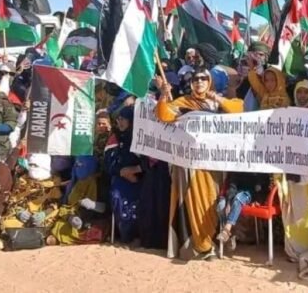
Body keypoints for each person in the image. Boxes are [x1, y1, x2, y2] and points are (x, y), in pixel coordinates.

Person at [156, 66, 243, 260]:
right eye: (195, 79)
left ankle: (213, 242)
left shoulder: (218, 103)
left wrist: (217, 99)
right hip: (189, 165)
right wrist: (163, 95)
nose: (199, 82)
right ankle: (201, 247)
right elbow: (163, 115)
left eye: (204, 78)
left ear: (210, 81)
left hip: (213, 164)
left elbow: (239, 109)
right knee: (194, 204)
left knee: (212, 203)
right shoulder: (184, 102)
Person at [279, 80, 308, 260]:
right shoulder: (288, 114)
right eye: (300, 92)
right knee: (293, 214)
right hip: (292, 171)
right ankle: (294, 250)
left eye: (306, 92)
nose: (303, 96)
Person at [103, 106, 141, 244]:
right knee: (117, 197)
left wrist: (136, 170)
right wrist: (122, 172)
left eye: (123, 119)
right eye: (118, 119)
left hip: (139, 178)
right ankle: (126, 236)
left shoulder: (140, 137)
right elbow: (108, 162)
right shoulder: (115, 137)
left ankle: (137, 235)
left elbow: (148, 161)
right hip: (120, 178)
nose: (120, 122)